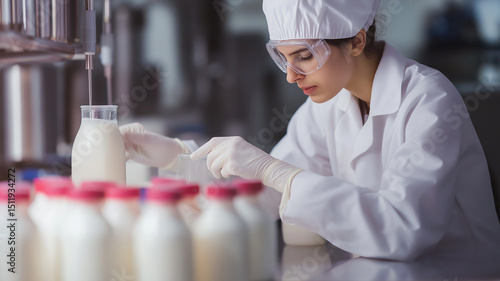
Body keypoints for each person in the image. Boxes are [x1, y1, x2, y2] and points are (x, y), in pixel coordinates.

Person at [120, 0, 500, 261]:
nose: (290, 75)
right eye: (283, 57)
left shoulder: (428, 100)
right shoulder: (328, 106)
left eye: (304, 56)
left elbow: (403, 228)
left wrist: (278, 172)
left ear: (356, 40)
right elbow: (258, 194)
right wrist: (178, 157)